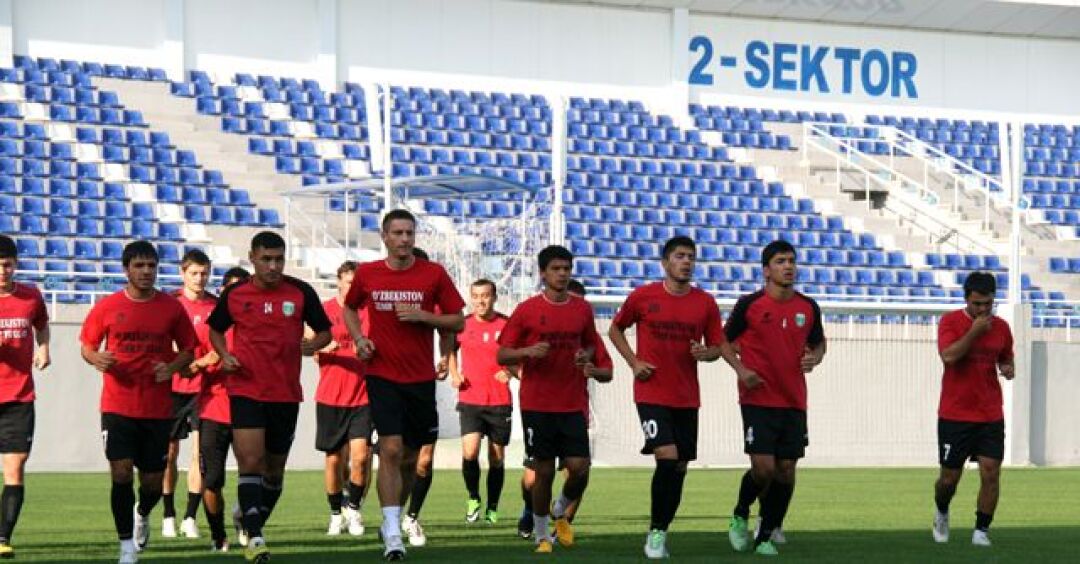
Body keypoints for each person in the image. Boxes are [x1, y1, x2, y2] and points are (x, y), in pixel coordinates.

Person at [608, 236, 756, 559]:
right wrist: (634, 362)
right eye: (679, 256)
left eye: (690, 256)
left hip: (687, 397)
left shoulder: (705, 303)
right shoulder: (643, 296)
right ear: (665, 262)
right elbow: (615, 329)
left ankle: (662, 527)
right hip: (651, 392)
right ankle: (655, 534)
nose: (686, 261)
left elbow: (717, 346)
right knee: (667, 456)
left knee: (679, 467)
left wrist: (709, 354)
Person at [343, 209, 465, 561]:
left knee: (413, 459)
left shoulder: (433, 273)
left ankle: (398, 516)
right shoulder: (368, 273)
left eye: (409, 232)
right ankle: (393, 530)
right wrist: (359, 339)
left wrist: (424, 316)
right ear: (384, 237)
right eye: (397, 233)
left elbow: (458, 320)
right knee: (391, 450)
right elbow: (350, 309)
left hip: (420, 379)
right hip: (382, 374)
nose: (404, 239)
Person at [207, 232, 332, 563]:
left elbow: (325, 331)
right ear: (252, 258)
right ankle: (256, 538)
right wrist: (225, 355)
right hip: (246, 389)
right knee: (250, 461)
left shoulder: (301, 292)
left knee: (274, 471)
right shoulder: (236, 294)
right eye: (266, 259)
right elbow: (215, 329)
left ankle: (249, 519)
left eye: (278, 259)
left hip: (285, 393)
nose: (273, 266)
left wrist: (313, 344)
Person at [79, 240, 198, 563]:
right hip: (117, 405)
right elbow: (87, 345)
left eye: (151, 266)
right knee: (120, 473)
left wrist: (171, 368)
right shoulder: (107, 306)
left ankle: (142, 512)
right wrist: (95, 357)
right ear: (126, 269)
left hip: (157, 409)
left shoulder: (171, 308)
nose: (146, 272)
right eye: (139, 266)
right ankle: (126, 546)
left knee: (152, 483)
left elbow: (189, 349)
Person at [497, 245, 613, 554]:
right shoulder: (527, 310)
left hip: (572, 402)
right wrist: (527, 352)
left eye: (566, 269)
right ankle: (541, 536)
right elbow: (502, 354)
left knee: (580, 467)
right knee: (544, 471)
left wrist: (585, 356)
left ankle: (559, 508)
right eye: (556, 269)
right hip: (537, 403)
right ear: (543, 273)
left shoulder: (582, 309)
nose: (562, 274)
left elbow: (590, 344)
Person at [724, 240, 825, 556]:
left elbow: (819, 343)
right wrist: (741, 370)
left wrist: (815, 358)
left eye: (792, 260)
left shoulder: (808, 307)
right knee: (763, 468)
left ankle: (765, 535)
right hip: (757, 399)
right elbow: (723, 342)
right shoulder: (749, 304)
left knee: (786, 470)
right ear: (766, 270)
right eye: (781, 261)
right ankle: (740, 512)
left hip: (794, 401)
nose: (788, 266)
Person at [932, 271, 1014, 547]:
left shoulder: (1002, 328)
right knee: (948, 480)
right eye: (977, 304)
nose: (983, 309)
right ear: (966, 299)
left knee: (991, 472)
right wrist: (975, 331)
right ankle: (942, 510)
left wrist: (1008, 367)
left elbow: (1006, 358)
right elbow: (949, 356)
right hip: (955, 414)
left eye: (988, 304)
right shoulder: (950, 322)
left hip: (990, 414)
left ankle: (981, 531)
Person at [516, 278, 588, 539]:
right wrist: (522, 370)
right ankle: (532, 511)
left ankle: (562, 521)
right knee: (534, 478)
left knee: (579, 470)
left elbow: (602, 364)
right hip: (540, 408)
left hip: (574, 407)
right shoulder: (535, 319)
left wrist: (592, 366)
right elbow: (506, 355)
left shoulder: (583, 329)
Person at [396, 247, 455, 548]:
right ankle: (390, 516)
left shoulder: (433, 297)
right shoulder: (385, 295)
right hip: (389, 386)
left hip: (423, 386)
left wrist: (444, 356)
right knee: (394, 457)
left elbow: (449, 328)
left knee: (423, 459)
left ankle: (410, 517)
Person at [313, 261, 372, 537]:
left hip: (363, 396)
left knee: (361, 458)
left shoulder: (368, 311)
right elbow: (308, 340)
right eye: (349, 282)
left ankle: (354, 509)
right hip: (331, 396)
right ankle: (336, 513)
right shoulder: (325, 310)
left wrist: (369, 349)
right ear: (338, 281)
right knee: (334, 460)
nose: (353, 287)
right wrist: (321, 345)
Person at [0, 235, 50, 559]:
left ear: (15, 264)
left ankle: (2, 537)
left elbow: (41, 325)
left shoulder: (31, 296)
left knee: (15, 468)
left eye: (7, 265)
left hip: (18, 396)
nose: (2, 271)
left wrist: (44, 347)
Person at [162, 250, 217, 539]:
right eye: (194, 273)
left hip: (203, 391)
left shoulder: (216, 307)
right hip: (172, 389)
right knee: (169, 454)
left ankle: (190, 517)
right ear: (182, 273)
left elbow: (219, 347)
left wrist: (200, 364)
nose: (199, 278)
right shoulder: (170, 304)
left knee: (199, 455)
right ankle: (168, 514)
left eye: (204, 273)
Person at [448, 278, 512, 525]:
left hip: (499, 401)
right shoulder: (462, 325)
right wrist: (454, 373)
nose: (480, 301)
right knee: (470, 451)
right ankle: (473, 497)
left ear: (494, 297)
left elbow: (520, 354)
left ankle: (492, 506)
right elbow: (450, 350)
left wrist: (509, 372)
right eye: (475, 296)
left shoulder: (506, 324)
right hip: (470, 399)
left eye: (485, 296)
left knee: (496, 457)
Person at [199, 268, 249, 553]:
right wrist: (207, 362)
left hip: (249, 411)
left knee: (254, 475)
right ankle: (218, 535)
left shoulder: (257, 327)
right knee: (212, 479)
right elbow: (188, 367)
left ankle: (245, 518)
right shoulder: (209, 327)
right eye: (231, 289)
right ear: (222, 292)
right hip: (214, 411)